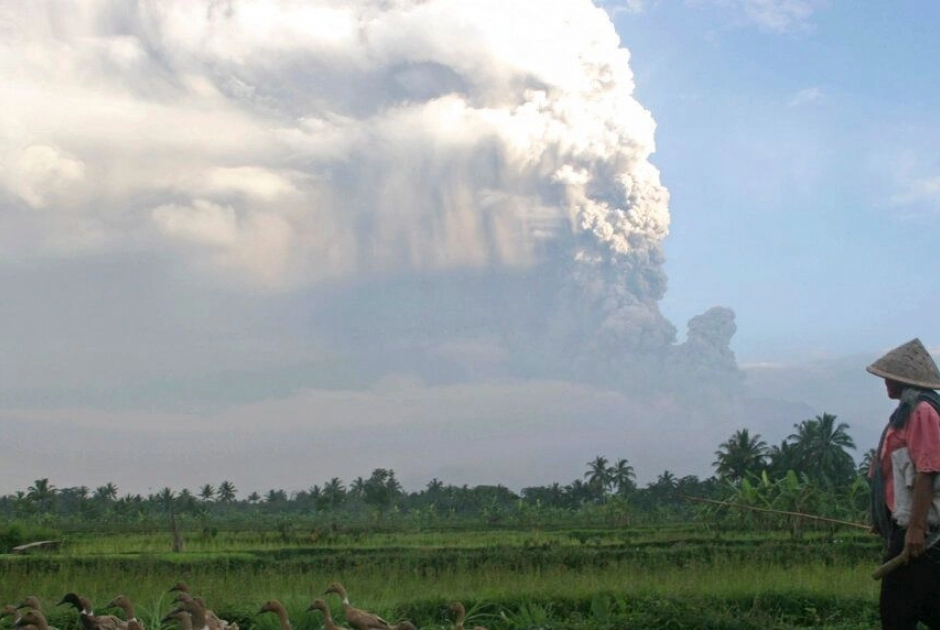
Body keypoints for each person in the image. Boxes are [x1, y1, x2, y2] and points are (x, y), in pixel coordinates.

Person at [868, 338, 940, 629]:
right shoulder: (906, 413)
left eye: (891, 377)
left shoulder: (922, 411)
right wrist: (882, 516)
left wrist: (915, 529)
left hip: (921, 533)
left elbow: (928, 470)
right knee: (926, 606)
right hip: (909, 528)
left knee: (896, 612)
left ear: (906, 381)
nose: (886, 382)